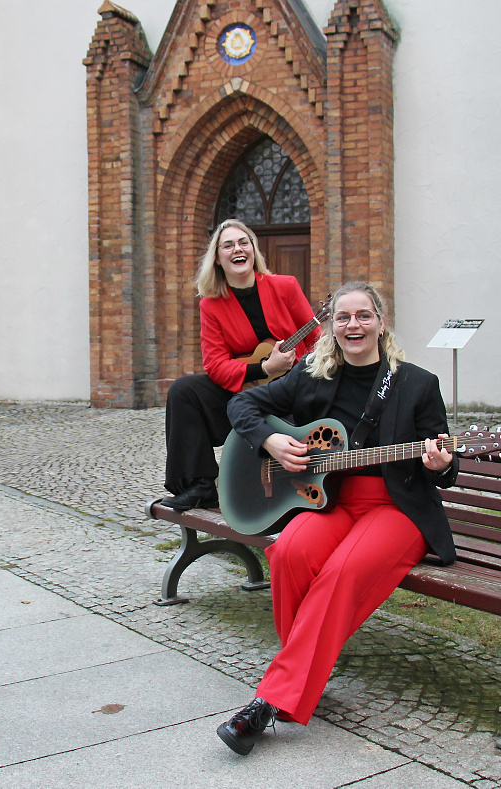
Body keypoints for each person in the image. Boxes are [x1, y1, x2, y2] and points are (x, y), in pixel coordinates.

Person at [216, 281, 458, 755]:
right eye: (343, 317)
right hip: (329, 500)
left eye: (363, 316)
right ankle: (302, 678)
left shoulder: (416, 384)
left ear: (381, 323)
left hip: (395, 507)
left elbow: (445, 466)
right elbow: (241, 403)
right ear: (331, 326)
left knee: (341, 573)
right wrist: (269, 439)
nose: (353, 325)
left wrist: (441, 462)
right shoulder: (314, 374)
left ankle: (272, 700)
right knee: (288, 551)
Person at [160, 219, 320, 511]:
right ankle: (200, 485)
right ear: (218, 259)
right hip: (242, 392)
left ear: (253, 250)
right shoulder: (211, 304)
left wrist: (298, 369)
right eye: (228, 245)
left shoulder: (285, 287)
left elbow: (315, 341)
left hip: (289, 393)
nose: (237, 249)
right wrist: (264, 369)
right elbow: (216, 365)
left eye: (243, 242)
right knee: (184, 390)